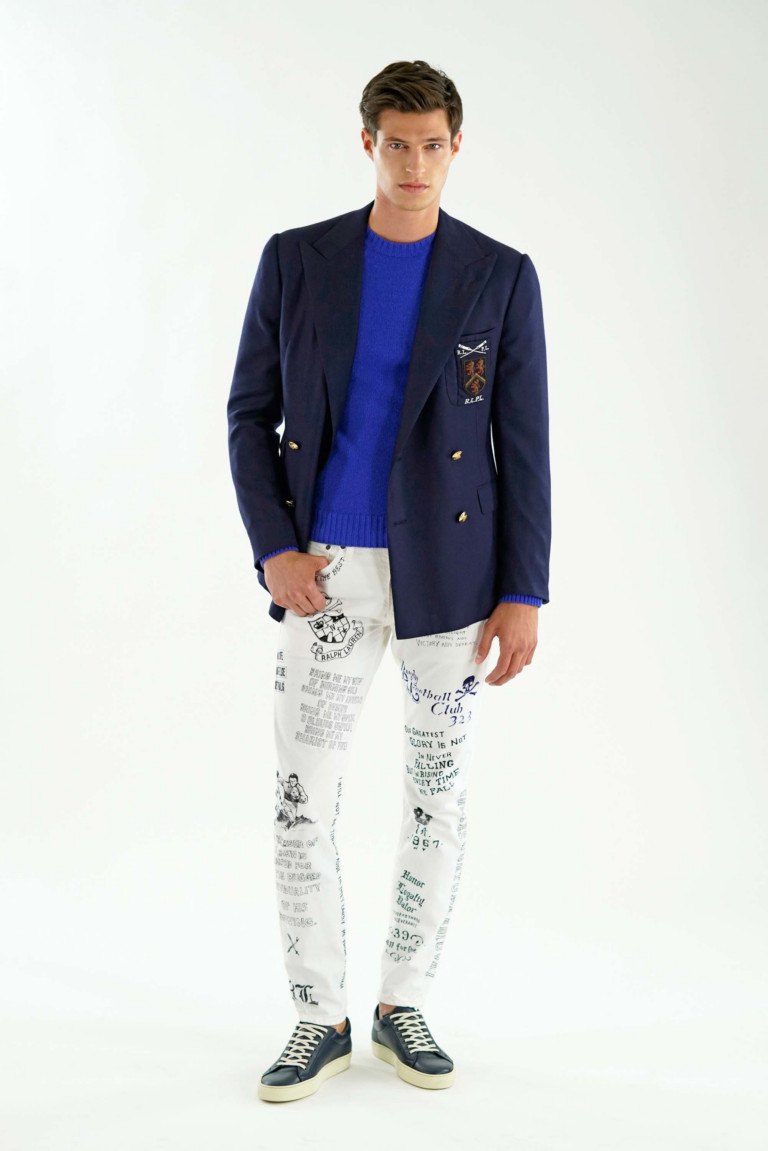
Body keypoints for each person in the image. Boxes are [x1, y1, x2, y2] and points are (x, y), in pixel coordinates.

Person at [226, 58, 551, 1103]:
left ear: (457, 146)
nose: (415, 164)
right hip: (324, 573)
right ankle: (318, 1012)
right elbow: (249, 413)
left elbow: (523, 444)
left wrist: (524, 589)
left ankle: (402, 1002)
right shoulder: (298, 259)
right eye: (397, 144)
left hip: (450, 580)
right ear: (367, 143)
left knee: (436, 800)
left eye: (432, 145)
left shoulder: (500, 275)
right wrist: (274, 544)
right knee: (301, 799)